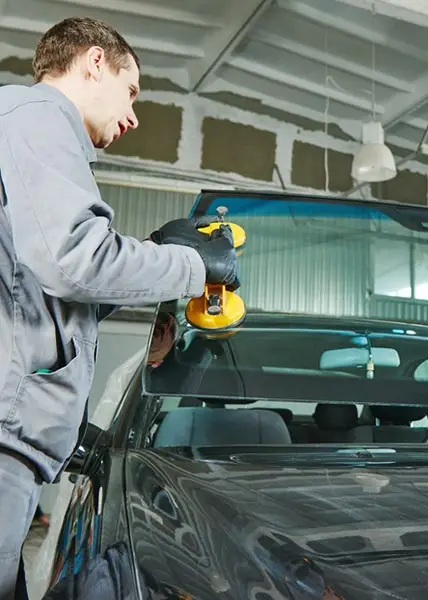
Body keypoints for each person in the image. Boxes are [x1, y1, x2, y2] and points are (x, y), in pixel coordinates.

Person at [0, 16, 240, 599]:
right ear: (94, 62)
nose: (133, 117)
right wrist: (194, 267)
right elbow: (75, 260)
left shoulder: (30, 133)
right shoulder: (35, 118)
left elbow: (48, 294)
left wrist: (156, 251)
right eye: (132, 91)